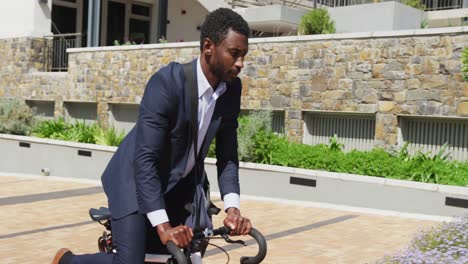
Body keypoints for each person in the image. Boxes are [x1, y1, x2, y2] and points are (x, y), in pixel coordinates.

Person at [52, 8, 252, 264]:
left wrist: (233, 209)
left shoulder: (232, 88)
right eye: (234, 54)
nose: (240, 63)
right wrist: (163, 226)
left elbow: (228, 155)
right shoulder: (167, 83)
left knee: (187, 255)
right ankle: (68, 261)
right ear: (208, 47)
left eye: (244, 55)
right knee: (131, 261)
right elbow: (145, 160)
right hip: (134, 179)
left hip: (179, 182)